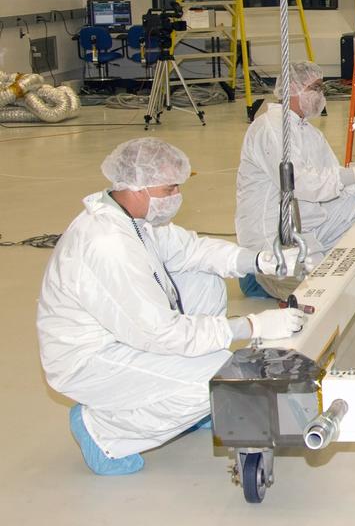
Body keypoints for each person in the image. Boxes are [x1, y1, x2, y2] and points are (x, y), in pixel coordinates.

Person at [36, 138, 309, 476]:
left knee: (203, 277)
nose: (176, 196)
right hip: (91, 358)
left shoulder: (134, 218)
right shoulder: (108, 245)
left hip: (127, 332)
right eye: (169, 189)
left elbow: (192, 251)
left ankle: (181, 397)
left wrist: (257, 260)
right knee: (216, 380)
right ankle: (103, 430)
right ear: (136, 187)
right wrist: (253, 326)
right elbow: (161, 333)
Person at [236, 61, 355, 299]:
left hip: (307, 225)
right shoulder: (271, 129)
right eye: (315, 87)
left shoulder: (310, 133)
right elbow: (300, 184)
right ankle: (257, 276)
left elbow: (333, 181)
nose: (321, 95)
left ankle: (303, 264)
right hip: (273, 233)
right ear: (293, 88)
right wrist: (354, 173)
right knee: (316, 293)